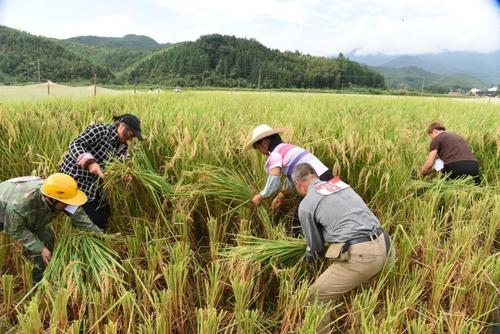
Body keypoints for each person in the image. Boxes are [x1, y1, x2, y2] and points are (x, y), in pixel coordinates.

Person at [291, 163, 394, 334]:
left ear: (298, 183)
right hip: (387, 246)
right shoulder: (341, 185)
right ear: (315, 176)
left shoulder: (307, 203)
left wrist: (307, 260)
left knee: (316, 296)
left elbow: (314, 246)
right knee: (364, 292)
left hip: (364, 256)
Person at [0, 173, 101, 283]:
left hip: (27, 209)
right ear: (52, 200)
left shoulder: (60, 196)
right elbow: (17, 230)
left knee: (47, 238)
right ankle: (36, 283)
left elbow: (81, 218)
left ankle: (41, 278)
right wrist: (41, 249)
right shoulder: (19, 205)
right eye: (67, 203)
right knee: (39, 247)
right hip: (4, 207)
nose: (69, 205)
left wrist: (99, 235)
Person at [245, 124, 332, 235]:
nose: (260, 152)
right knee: (317, 216)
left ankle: (303, 246)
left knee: (300, 222)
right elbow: (293, 177)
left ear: (264, 143)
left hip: (314, 183)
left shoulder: (275, 154)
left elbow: (274, 182)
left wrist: (261, 196)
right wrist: (281, 195)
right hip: (326, 177)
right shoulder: (287, 148)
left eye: (257, 148)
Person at [60, 114, 143, 230]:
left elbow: (120, 166)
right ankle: (72, 217)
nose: (130, 137)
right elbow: (75, 144)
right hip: (75, 178)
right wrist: (89, 162)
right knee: (93, 221)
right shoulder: (101, 130)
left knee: (105, 215)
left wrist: (125, 174)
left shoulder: (122, 147)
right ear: (122, 126)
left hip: (93, 182)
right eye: (129, 133)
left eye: (132, 136)